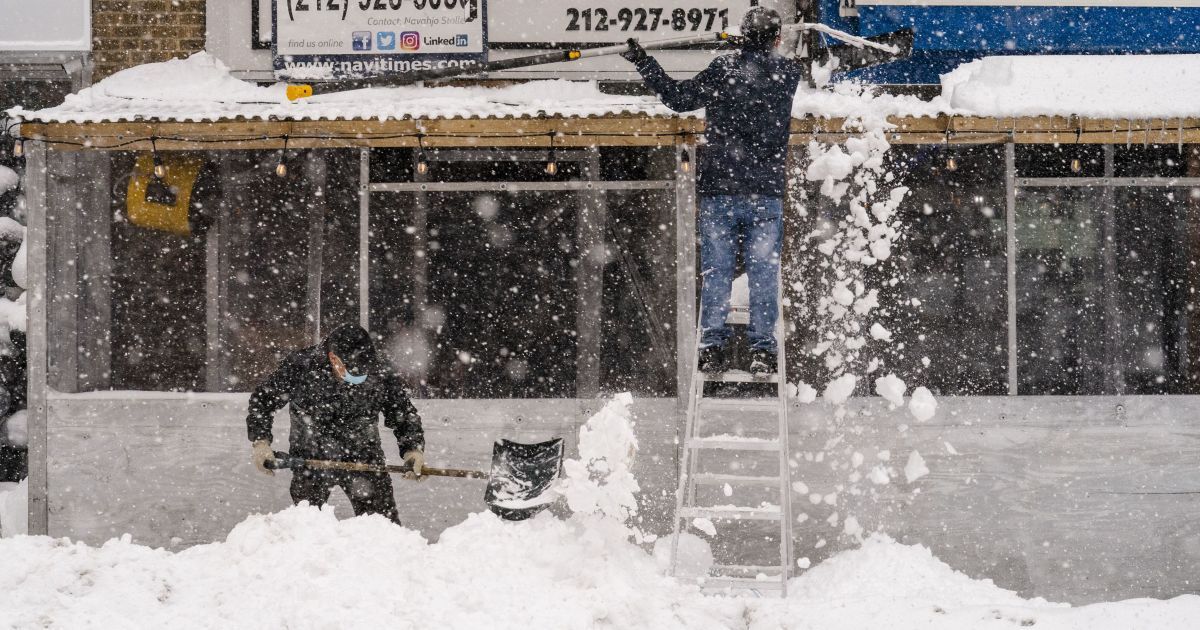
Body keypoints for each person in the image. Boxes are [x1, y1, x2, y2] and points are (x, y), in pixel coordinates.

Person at [622, 7, 804, 375]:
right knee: (763, 275)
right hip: (764, 194)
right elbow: (770, 63)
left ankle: (712, 348)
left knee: (717, 272)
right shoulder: (788, 73)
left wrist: (644, 62)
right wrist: (753, 47)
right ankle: (763, 350)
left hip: (719, 190)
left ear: (743, 34)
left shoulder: (724, 70)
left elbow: (677, 97)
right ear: (778, 39)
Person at [246, 323, 425, 525]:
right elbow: (262, 400)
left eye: (362, 373)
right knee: (306, 531)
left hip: (364, 458)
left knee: (383, 528)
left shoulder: (380, 370)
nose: (355, 378)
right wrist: (260, 442)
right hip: (310, 460)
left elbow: (402, 411)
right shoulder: (300, 366)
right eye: (350, 372)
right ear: (333, 358)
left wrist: (413, 449)